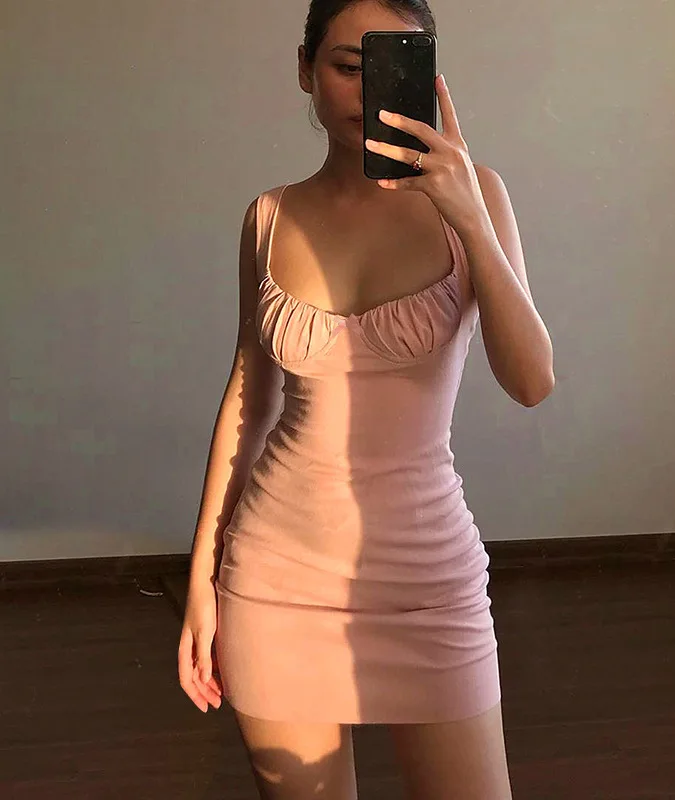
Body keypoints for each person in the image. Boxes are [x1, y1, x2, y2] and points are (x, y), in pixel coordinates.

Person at [178, 1, 554, 797]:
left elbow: (530, 382)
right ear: (305, 69)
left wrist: (467, 215)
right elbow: (249, 396)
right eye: (348, 67)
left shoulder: (478, 195)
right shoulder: (270, 215)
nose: (366, 90)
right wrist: (201, 579)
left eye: (393, 67)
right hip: (275, 578)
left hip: (429, 581)